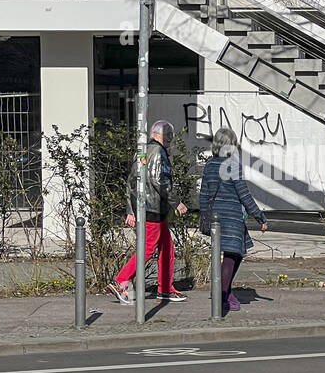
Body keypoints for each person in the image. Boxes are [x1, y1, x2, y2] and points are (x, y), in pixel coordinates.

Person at [107, 120, 188, 305]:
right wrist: (176, 202)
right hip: (154, 208)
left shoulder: (142, 151)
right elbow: (159, 180)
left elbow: (131, 180)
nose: (171, 140)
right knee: (148, 248)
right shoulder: (159, 152)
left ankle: (165, 289)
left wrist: (131, 209)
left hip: (144, 206)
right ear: (164, 136)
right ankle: (121, 281)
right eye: (170, 137)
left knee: (167, 246)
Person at [199, 126, 267, 315]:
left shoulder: (210, 165)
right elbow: (244, 194)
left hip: (215, 220)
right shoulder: (232, 165)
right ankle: (222, 296)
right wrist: (260, 216)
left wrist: (204, 217)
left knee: (234, 253)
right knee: (232, 255)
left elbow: (203, 194)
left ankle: (225, 292)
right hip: (232, 218)